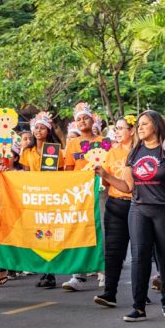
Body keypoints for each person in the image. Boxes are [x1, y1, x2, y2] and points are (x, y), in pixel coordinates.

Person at [96, 110, 165, 321]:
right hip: (138, 209)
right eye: (138, 124)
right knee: (138, 257)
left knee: (164, 256)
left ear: (156, 126)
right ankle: (138, 307)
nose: (139, 127)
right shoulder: (134, 151)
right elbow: (128, 187)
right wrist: (106, 176)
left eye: (144, 124)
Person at [93, 115, 135, 308]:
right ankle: (110, 292)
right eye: (116, 128)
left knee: (139, 252)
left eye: (121, 128)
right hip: (116, 204)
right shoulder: (111, 152)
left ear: (132, 130)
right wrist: (101, 174)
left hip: (137, 206)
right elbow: (105, 181)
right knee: (113, 251)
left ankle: (140, 292)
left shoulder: (140, 151)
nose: (117, 132)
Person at [20, 111, 63, 288]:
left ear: (48, 130)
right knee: (37, 233)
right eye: (36, 128)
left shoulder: (54, 149)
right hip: (34, 196)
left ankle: (50, 272)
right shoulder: (27, 151)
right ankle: (44, 270)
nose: (38, 131)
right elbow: (24, 173)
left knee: (50, 234)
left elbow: (60, 173)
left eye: (42, 128)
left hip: (50, 196)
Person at [62, 102, 103, 291]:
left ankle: (104, 273)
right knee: (79, 231)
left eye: (85, 117)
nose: (81, 121)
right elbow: (68, 170)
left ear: (92, 119)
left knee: (100, 230)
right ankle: (77, 275)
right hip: (79, 194)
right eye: (78, 119)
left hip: (100, 192)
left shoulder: (104, 141)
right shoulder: (72, 144)